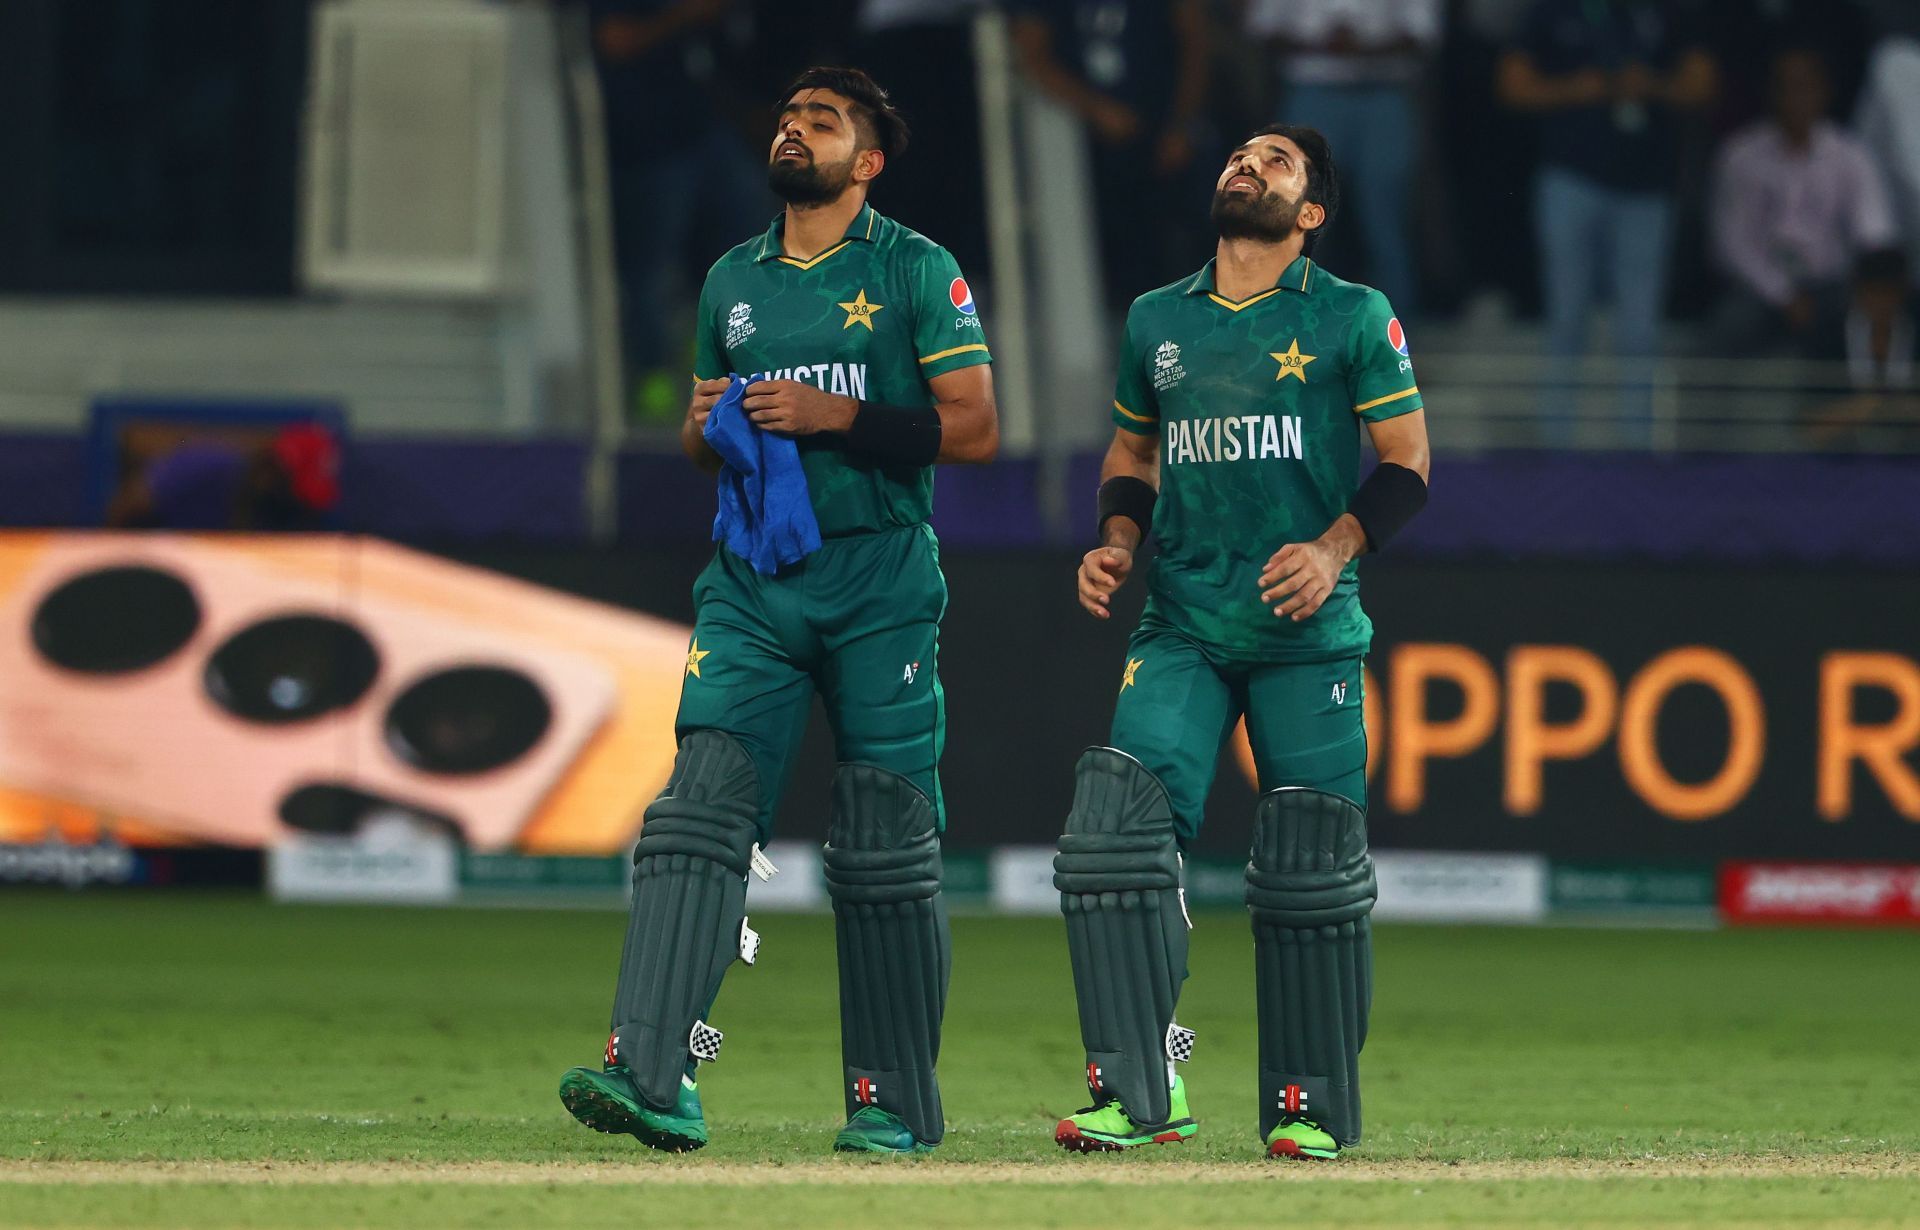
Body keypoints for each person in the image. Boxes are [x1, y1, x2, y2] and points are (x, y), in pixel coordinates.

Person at [557, 66, 998, 1157]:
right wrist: (704, 424)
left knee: (885, 841)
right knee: (699, 811)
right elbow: (701, 439)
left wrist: (832, 414)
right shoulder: (729, 280)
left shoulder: (916, 268)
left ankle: (890, 1099)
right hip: (751, 577)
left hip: (880, 578)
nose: (795, 132)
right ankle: (654, 1069)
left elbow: (976, 427)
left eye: (824, 122)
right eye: (791, 119)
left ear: (869, 160)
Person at [1049, 126, 1429, 1159]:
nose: (1247, 164)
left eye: (1278, 162)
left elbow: (1406, 462)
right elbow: (1134, 449)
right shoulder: (1157, 318)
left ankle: (1309, 1110)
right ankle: (1138, 1088)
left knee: (1311, 865)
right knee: (1113, 833)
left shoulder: (1352, 314)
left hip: (1307, 634)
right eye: (1240, 154)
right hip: (1183, 619)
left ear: (1310, 214)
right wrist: (1116, 540)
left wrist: (1335, 547)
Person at [1498, 1, 1716, 445]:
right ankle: (1557, 446)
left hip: (1645, 189)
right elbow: (1513, 85)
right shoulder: (1552, 11)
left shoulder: (1668, 12)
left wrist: (1652, 85)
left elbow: (1702, 82)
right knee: (1567, 317)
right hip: (1570, 177)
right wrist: (1577, 88)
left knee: (1639, 327)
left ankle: (1638, 449)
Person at [589, 0, 770, 411]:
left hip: (704, 129)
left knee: (747, 240)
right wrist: (683, 16)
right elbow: (613, 40)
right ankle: (653, 382)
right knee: (649, 269)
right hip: (646, 146)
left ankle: (722, 362)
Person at [1244, 0, 1442, 316]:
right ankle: (1297, 328)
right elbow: (1263, 27)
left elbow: (1424, 33)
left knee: (1386, 218)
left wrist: (1363, 47)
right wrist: (1323, 43)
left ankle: (1393, 336)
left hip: (1384, 93)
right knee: (1300, 219)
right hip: (1311, 92)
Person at [1011, 0, 1213, 308]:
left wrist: (1181, 124)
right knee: (1114, 259)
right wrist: (1097, 109)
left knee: (1187, 240)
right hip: (1087, 151)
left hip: (1164, 135)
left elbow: (1195, 40)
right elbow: (1033, 54)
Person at [1710, 49, 1898, 359]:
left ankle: (1855, 406)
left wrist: (1875, 290)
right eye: (1786, 86)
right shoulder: (1740, 156)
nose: (1796, 97)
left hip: (1832, 287)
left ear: (1824, 91)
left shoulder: (1850, 156)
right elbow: (1732, 244)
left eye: (1805, 86)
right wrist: (1782, 293)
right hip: (1760, 288)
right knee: (1728, 326)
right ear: (1771, 92)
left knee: (1869, 318)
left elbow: (1874, 235)